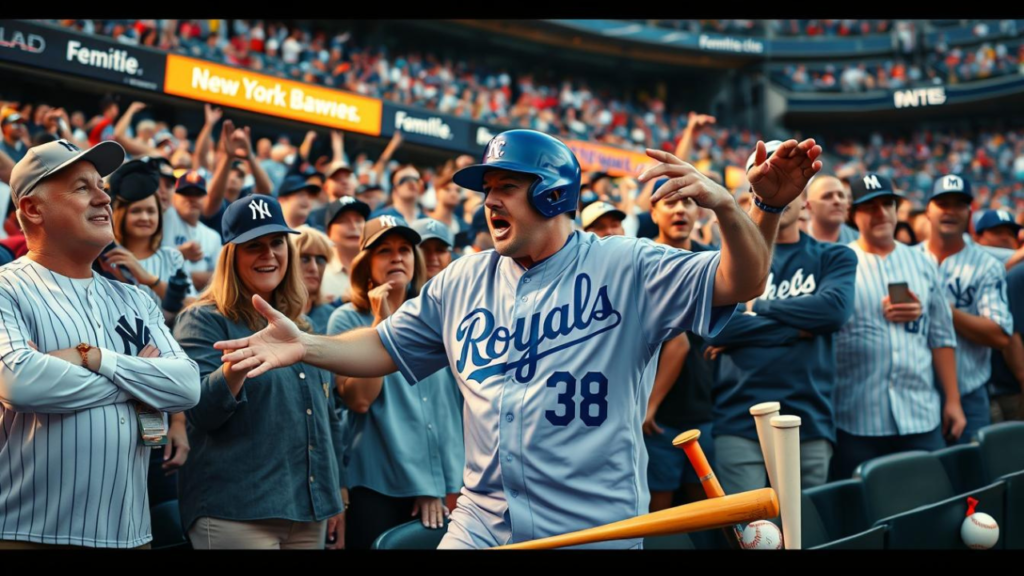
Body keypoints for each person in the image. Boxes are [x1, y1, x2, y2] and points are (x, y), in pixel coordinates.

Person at [214, 129, 821, 549]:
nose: (489, 201)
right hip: (482, 522)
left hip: (593, 527)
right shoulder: (464, 278)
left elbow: (743, 279)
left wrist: (748, 206)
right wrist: (307, 345)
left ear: (554, 193)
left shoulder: (628, 265)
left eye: (506, 186)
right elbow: (384, 348)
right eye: (487, 189)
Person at [0, 139, 200, 549]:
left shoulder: (135, 297)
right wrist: (140, 380)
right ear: (33, 209)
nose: (104, 197)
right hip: (31, 533)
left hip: (131, 534)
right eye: (81, 188)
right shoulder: (6, 287)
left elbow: (185, 386)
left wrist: (93, 358)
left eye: (101, 185)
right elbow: (19, 383)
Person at [173, 195, 345, 549]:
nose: (269, 254)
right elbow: (200, 412)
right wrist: (235, 368)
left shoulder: (304, 325)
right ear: (231, 256)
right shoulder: (203, 319)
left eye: (277, 242)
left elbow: (326, 417)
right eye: (254, 246)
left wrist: (336, 491)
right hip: (236, 511)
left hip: (308, 509)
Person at [706, 181, 856, 493]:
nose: (780, 194)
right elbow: (718, 327)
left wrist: (757, 306)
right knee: (751, 536)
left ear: (805, 202)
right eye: (765, 189)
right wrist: (799, 328)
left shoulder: (835, 256)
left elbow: (833, 312)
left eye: (790, 188)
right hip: (738, 418)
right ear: (750, 201)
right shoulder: (720, 260)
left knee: (804, 532)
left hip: (809, 420)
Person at [327, 216, 463, 549]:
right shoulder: (346, 317)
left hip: (443, 483)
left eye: (404, 249)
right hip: (377, 486)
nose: (397, 257)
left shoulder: (437, 316)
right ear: (366, 265)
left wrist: (437, 485)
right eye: (384, 251)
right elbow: (359, 400)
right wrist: (380, 323)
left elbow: (449, 411)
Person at [831, 173, 966, 480]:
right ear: (853, 214)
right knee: (862, 515)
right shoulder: (840, 262)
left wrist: (954, 401)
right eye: (870, 206)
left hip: (920, 413)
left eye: (887, 204)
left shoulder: (921, 262)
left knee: (926, 505)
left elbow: (941, 336)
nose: (881, 213)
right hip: (856, 416)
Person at [105, 158, 197, 505]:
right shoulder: (104, 256)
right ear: (120, 214)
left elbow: (193, 309)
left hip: (165, 375)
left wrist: (147, 279)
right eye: (136, 211)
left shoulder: (171, 257)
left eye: (152, 210)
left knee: (160, 492)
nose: (145, 217)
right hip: (121, 379)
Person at [642, 178, 718, 513]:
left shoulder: (714, 263)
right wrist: (649, 404)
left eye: (686, 202)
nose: (679, 209)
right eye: (669, 202)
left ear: (698, 211)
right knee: (662, 513)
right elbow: (677, 344)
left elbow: (743, 317)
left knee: (705, 512)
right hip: (656, 418)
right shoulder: (640, 261)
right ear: (653, 212)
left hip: (702, 408)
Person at [918, 176, 1012, 444]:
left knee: (970, 480)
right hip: (913, 396)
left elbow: (1000, 335)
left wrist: (944, 311)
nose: (950, 210)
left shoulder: (986, 265)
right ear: (928, 209)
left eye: (959, 204)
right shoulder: (907, 258)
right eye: (942, 203)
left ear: (969, 212)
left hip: (969, 393)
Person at [161, 170, 223, 291]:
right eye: (185, 193)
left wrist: (187, 274)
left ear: (205, 199)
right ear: (174, 197)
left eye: (197, 194)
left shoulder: (212, 236)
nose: (191, 199)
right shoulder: (165, 217)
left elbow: (221, 277)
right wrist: (179, 254)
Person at [321, 196, 371, 304]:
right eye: (343, 221)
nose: (353, 227)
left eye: (358, 220)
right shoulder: (319, 271)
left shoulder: (379, 268)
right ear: (328, 232)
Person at [295, 225, 338, 335]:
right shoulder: (268, 312)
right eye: (304, 258)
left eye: (320, 260)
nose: (314, 268)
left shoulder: (333, 316)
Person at [804, 174, 860, 244]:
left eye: (841, 196)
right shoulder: (796, 240)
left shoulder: (859, 242)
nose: (837, 201)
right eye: (827, 196)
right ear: (809, 206)